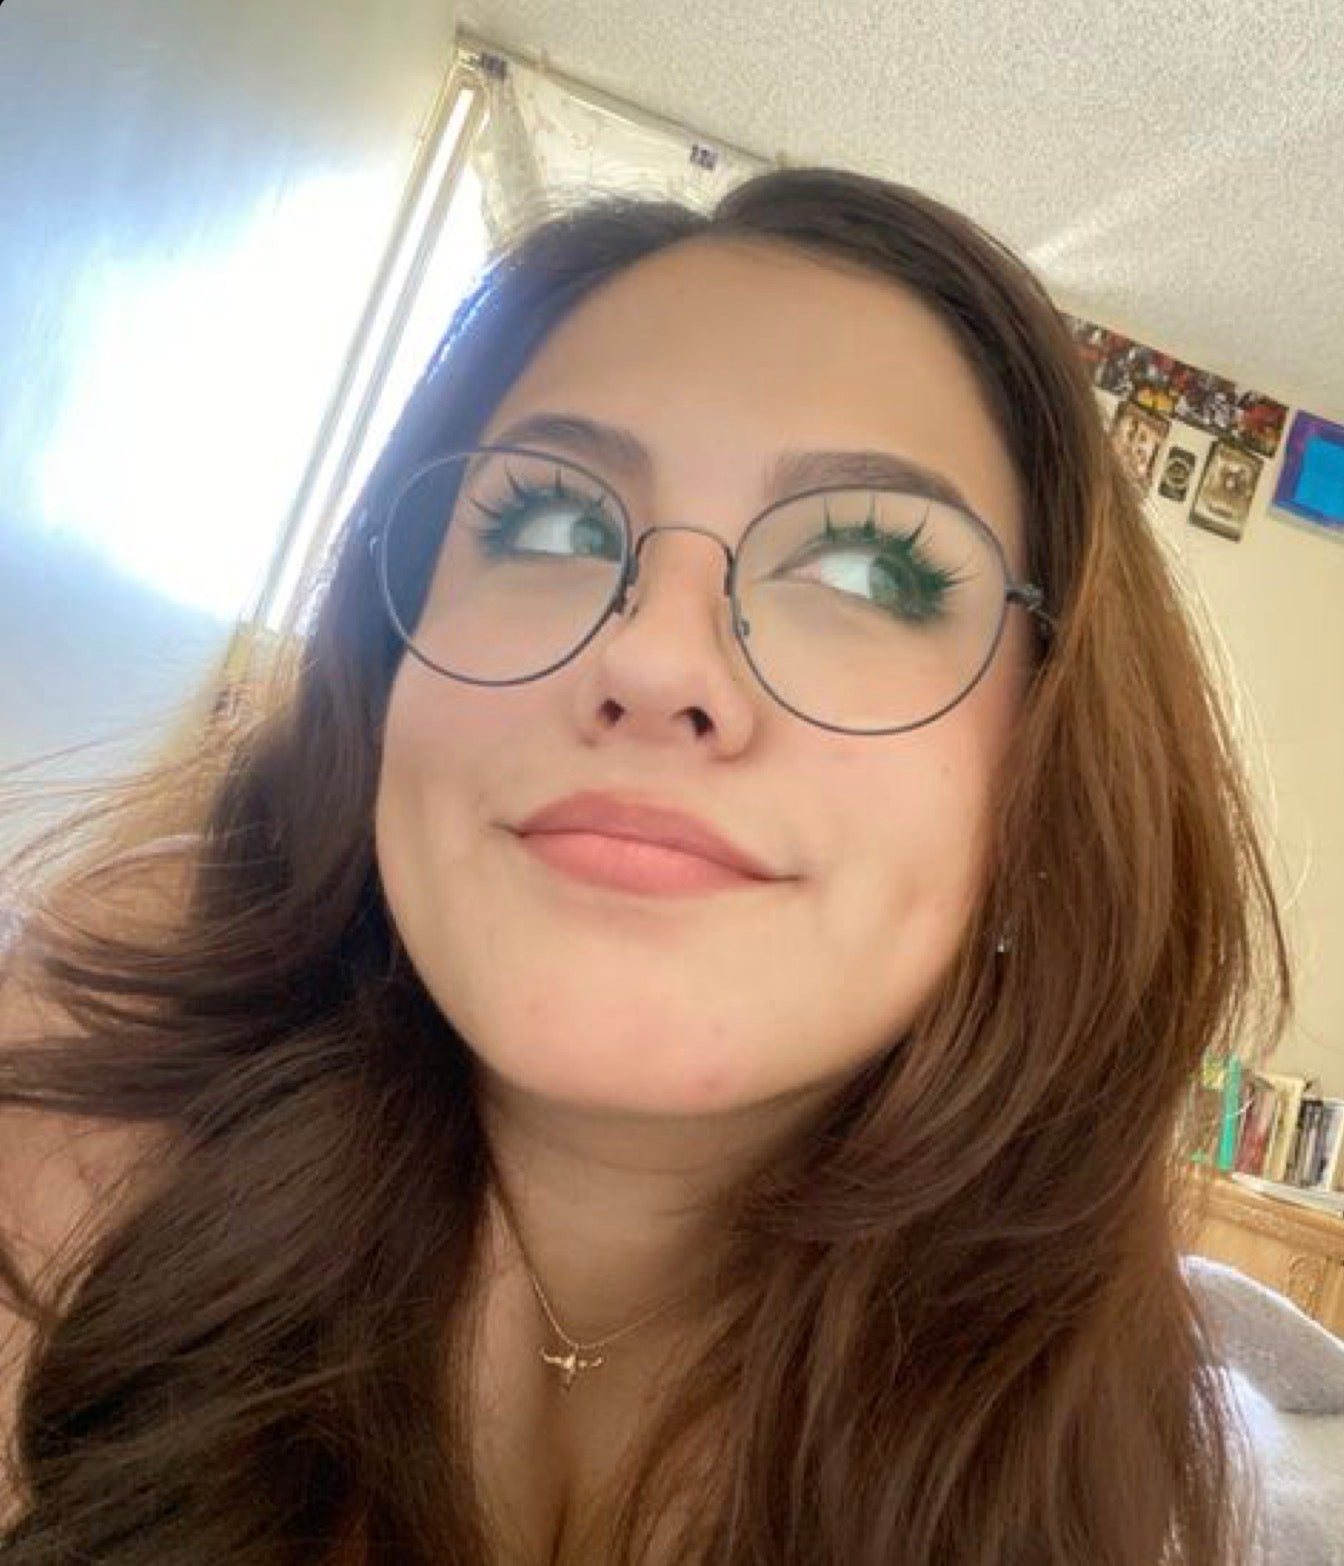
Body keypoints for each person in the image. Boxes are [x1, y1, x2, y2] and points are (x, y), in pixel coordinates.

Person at [0, 167, 1300, 1564]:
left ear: (1048, 771)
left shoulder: (1127, 1490)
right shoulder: (101, 1081)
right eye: (553, 523)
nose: (657, 658)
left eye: (869, 569)